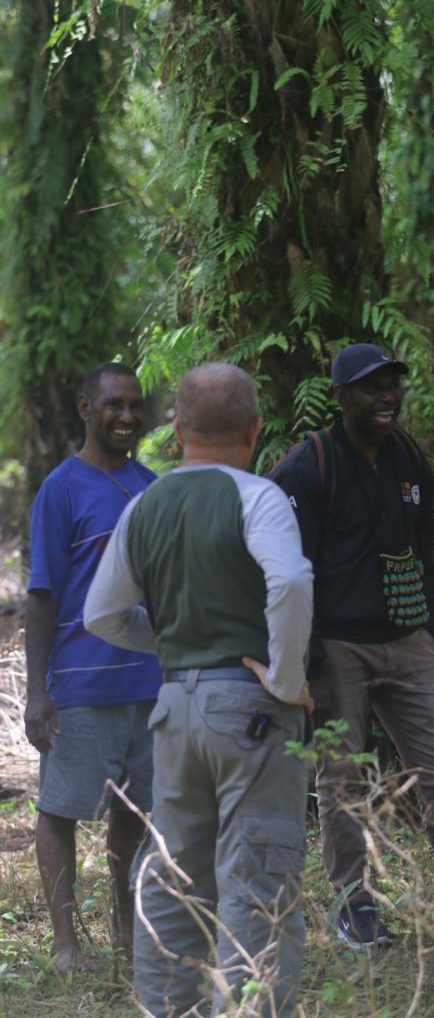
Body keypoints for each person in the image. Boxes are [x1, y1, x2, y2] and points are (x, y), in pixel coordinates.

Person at [270, 343, 434, 948]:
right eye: (371, 387)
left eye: (392, 384)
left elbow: (423, 554)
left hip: (407, 643)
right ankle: (352, 903)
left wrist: (432, 634)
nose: (386, 396)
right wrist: (307, 660)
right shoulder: (309, 466)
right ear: (341, 397)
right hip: (337, 648)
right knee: (342, 779)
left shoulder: (410, 458)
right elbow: (289, 569)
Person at [84, 362, 314, 1018]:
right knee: (258, 879)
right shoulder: (258, 496)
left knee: (175, 875)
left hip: (174, 708)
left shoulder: (143, 505)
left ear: (176, 429)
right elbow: (291, 584)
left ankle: (168, 1008)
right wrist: (287, 677)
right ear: (255, 430)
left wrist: (176, 642)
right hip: (250, 708)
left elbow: (101, 614)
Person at [25, 361, 161, 972]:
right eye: (113, 405)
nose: (126, 416)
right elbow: (43, 594)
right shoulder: (61, 488)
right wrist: (37, 691)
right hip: (79, 685)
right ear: (86, 409)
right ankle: (65, 944)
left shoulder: (155, 487)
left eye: (134, 405)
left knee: (135, 816)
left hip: (149, 682)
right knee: (61, 809)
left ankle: (129, 935)